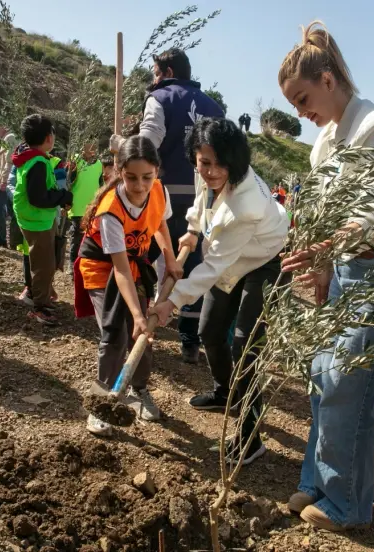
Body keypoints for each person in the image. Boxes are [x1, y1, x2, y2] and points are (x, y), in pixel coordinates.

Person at [277, 22, 374, 531]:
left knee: (349, 382)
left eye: (303, 98)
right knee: (322, 375)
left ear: (329, 80)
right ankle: (318, 481)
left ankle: (346, 503)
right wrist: (320, 266)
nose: (301, 112)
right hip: (343, 268)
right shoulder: (324, 144)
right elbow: (322, 213)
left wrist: (321, 250)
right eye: (293, 103)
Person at [151, 118, 289, 464]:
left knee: (245, 346)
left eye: (220, 164)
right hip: (230, 254)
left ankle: (250, 436)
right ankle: (225, 392)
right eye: (205, 163)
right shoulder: (206, 172)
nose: (211, 171)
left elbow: (212, 268)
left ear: (235, 161)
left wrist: (171, 301)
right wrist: (192, 229)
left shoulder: (246, 205)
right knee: (210, 331)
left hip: (264, 260)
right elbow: (203, 200)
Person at [74, 136, 181, 435]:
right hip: (102, 267)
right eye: (131, 177)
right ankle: (100, 402)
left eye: (147, 177)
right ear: (119, 171)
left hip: (134, 264)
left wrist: (170, 258)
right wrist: (135, 314)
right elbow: (119, 270)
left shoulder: (158, 190)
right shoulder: (110, 210)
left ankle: (139, 390)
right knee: (115, 334)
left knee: (142, 334)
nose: (140, 185)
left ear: (157, 171)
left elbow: (160, 223)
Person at [137, 47, 225, 364]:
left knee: (142, 259)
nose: (153, 79)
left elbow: (148, 141)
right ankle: (190, 342)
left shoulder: (160, 98)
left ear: (168, 73)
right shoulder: (215, 108)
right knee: (193, 269)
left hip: (163, 200)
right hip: (203, 204)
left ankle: (136, 321)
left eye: (156, 73)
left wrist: (124, 152)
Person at [12, 114, 72, 325]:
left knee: (42, 260)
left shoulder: (28, 157)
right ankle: (40, 307)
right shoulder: (38, 162)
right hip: (38, 221)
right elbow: (38, 198)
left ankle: (41, 296)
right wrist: (63, 197)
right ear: (48, 137)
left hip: (32, 218)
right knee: (44, 265)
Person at [67, 141, 105, 273]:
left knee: (90, 237)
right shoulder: (75, 160)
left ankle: (85, 264)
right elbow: (69, 181)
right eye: (90, 144)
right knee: (76, 236)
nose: (93, 147)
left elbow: (101, 185)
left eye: (95, 145)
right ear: (83, 145)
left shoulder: (99, 164)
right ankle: (72, 264)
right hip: (77, 205)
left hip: (92, 207)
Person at [0, 120, 21, 247]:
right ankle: (12, 240)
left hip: (7, 182)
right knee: (10, 211)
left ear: (3, 126)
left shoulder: (10, 138)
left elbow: (10, 162)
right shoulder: (7, 139)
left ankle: (5, 239)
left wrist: (4, 180)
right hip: (6, 180)